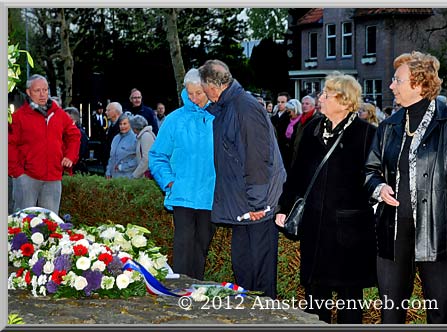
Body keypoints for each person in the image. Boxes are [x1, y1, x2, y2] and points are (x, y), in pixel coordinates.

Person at [364, 51, 447, 324]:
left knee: (440, 312)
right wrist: (379, 187)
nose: (391, 86)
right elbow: (369, 171)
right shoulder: (387, 127)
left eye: (397, 80)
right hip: (392, 234)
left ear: (418, 84)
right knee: (390, 314)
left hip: (438, 232)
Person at [276, 73, 377, 324]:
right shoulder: (311, 129)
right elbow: (297, 172)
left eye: (326, 94)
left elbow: (374, 178)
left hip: (349, 231)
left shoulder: (366, 133)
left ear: (344, 101)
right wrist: (285, 206)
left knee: (349, 298)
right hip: (314, 227)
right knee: (315, 296)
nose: (320, 98)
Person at [198, 59, 286, 299]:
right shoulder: (227, 107)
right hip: (243, 206)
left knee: (260, 275)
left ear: (211, 85)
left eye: (203, 89)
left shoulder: (244, 108)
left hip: (257, 207)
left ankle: (265, 320)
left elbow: (257, 157)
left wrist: (258, 203)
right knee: (244, 268)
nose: (204, 94)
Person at [149, 68, 216, 280]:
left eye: (199, 93)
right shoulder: (173, 120)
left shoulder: (220, 117)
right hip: (182, 196)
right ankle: (181, 292)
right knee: (183, 248)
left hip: (211, 196)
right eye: (190, 93)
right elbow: (157, 155)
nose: (194, 98)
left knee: (202, 247)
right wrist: (169, 182)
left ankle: (197, 291)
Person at [8, 74, 81, 214]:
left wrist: (70, 156)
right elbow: (9, 145)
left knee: (51, 223)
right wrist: (17, 172)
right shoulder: (19, 117)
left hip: (53, 177)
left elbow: (74, 135)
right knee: (23, 222)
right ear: (29, 92)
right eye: (38, 90)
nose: (43, 94)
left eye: (45, 90)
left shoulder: (59, 114)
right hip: (26, 178)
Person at [105, 113, 137, 179]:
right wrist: (108, 171)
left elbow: (138, 159)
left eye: (125, 124)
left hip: (128, 177)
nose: (122, 126)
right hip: (114, 177)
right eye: (120, 124)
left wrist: (122, 167)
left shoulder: (135, 138)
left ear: (130, 124)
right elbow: (111, 157)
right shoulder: (116, 138)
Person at [129, 115, 156, 179]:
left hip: (148, 175)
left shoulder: (145, 136)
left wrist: (135, 175)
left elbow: (146, 159)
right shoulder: (143, 135)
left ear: (135, 128)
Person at [64, 107, 90, 174]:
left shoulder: (80, 133)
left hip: (76, 168)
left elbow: (81, 152)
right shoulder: (65, 132)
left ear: (73, 120)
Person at [102, 102, 123, 170]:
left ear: (116, 111)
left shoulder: (123, 126)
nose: (106, 112)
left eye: (108, 110)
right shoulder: (112, 125)